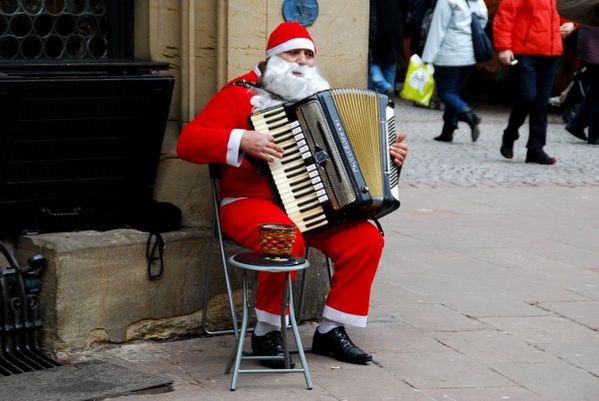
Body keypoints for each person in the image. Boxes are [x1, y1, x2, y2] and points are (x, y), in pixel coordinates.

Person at [177, 22, 409, 368]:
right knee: (285, 239)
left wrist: (390, 158)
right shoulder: (238, 94)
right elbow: (187, 143)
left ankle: (331, 330)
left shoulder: (321, 101)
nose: (301, 61)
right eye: (292, 52)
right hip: (248, 202)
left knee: (366, 238)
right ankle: (266, 331)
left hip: (314, 208)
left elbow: (354, 163)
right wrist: (242, 139)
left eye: (308, 54)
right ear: (272, 57)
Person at [493, 0, 576, 165]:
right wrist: (503, 47)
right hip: (525, 51)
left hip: (551, 52)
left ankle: (535, 150)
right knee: (527, 97)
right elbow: (506, 15)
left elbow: (568, 10)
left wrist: (571, 24)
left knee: (541, 103)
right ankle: (510, 134)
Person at [421, 0, 487, 142]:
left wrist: (427, 57)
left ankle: (469, 115)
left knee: (445, 93)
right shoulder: (478, 1)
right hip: (469, 55)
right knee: (454, 92)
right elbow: (483, 21)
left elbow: (438, 28)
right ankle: (448, 130)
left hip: (449, 54)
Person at [565, 25, 599, 145]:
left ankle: (577, 124)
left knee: (595, 89)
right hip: (594, 45)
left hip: (590, 43)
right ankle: (595, 134)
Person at [368, 0, 408, 96]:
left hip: (378, 30)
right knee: (390, 64)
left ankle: (383, 84)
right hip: (395, 30)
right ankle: (388, 99)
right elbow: (405, 8)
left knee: (372, 62)